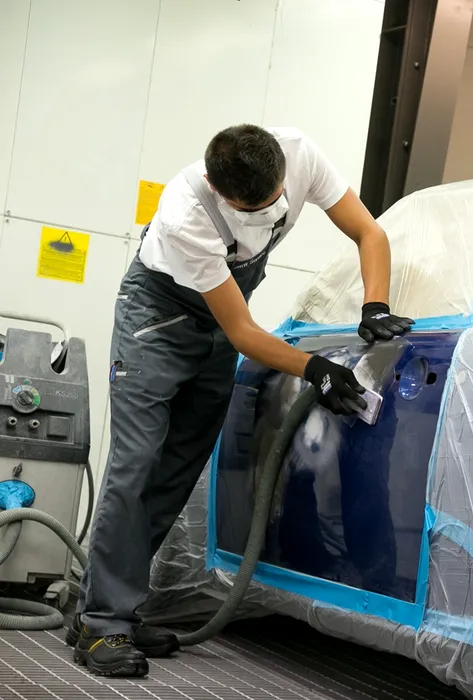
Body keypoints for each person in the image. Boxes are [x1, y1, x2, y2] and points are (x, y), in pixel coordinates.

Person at [65, 125, 413, 677]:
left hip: (219, 323)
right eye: (253, 210)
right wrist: (314, 369)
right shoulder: (185, 213)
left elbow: (368, 232)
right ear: (217, 188)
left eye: (276, 200)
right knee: (136, 467)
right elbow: (244, 331)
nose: (270, 214)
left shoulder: (300, 156)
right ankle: (103, 622)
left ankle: (111, 608)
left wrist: (375, 305)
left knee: (176, 471)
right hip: (158, 323)